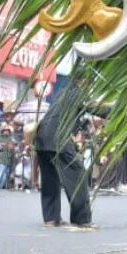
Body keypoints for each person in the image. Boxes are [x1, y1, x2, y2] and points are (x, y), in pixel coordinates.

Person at [35, 83, 93, 229]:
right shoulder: (77, 93)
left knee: (50, 179)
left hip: (42, 136)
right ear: (84, 81)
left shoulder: (62, 93)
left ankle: (51, 218)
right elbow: (96, 109)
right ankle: (81, 220)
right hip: (58, 137)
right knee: (78, 174)